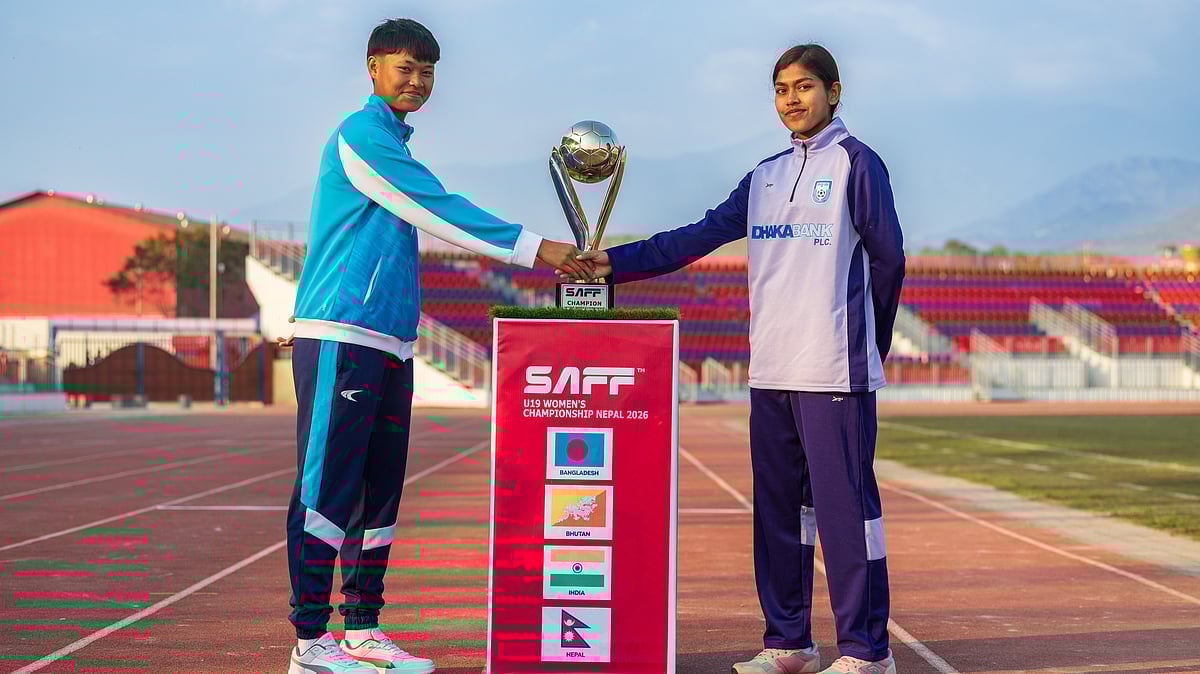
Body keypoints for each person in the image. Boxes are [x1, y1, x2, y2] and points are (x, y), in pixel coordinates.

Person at [566, 44, 905, 674]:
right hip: (771, 369)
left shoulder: (859, 164)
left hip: (834, 369)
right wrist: (614, 263)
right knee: (777, 516)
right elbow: (696, 237)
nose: (792, 99)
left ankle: (866, 652)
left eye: (804, 86)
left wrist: (870, 343)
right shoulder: (765, 176)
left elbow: (890, 261)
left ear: (834, 91)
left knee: (846, 516)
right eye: (781, 89)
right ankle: (789, 643)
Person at [282, 17, 587, 674]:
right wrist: (536, 249)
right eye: (405, 68)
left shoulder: (395, 140)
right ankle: (309, 643)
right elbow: (437, 207)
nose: (418, 81)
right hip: (342, 332)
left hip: (390, 342)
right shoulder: (361, 135)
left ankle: (361, 629)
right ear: (372, 68)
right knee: (326, 488)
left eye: (427, 72)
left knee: (380, 493)